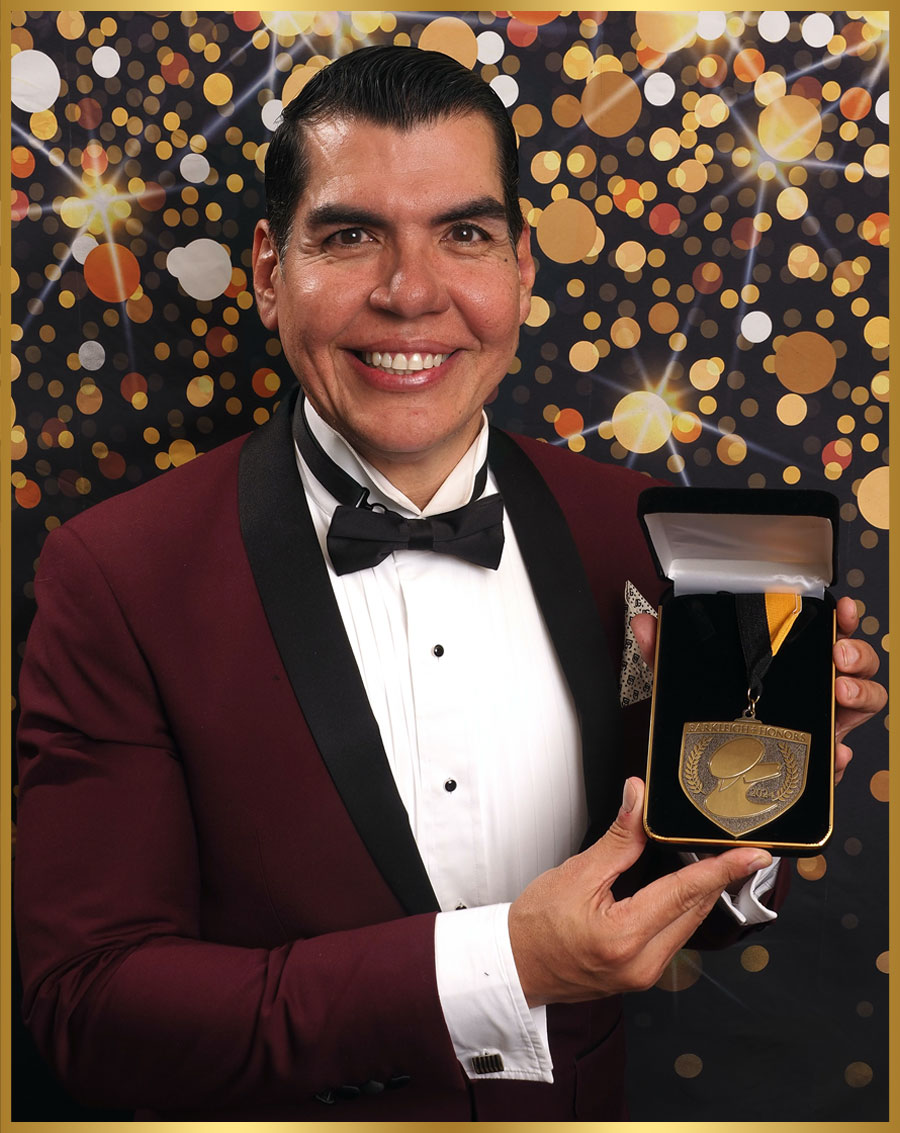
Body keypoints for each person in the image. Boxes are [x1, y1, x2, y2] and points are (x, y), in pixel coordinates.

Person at [14, 45, 885, 1121]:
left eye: (463, 234)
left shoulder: (639, 531)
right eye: (348, 236)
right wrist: (501, 963)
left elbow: (669, 897)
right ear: (267, 272)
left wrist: (744, 814)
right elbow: (89, 1007)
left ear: (522, 266)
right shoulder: (116, 574)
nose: (411, 292)